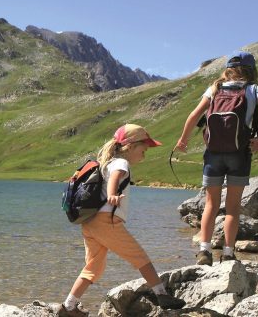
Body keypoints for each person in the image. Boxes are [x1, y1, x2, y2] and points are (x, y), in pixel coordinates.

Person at [58, 124, 185, 316]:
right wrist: (112, 195)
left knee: (94, 266)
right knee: (140, 258)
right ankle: (162, 295)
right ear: (131, 146)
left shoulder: (108, 162)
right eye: (144, 148)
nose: (145, 153)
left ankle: (69, 305)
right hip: (106, 221)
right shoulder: (121, 163)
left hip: (90, 222)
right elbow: (115, 179)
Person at [175, 51, 258, 265]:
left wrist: (183, 141)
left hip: (213, 154)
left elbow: (194, 115)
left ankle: (204, 251)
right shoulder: (253, 89)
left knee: (210, 205)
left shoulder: (214, 88)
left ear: (228, 70)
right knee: (232, 207)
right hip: (239, 154)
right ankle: (229, 253)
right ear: (252, 70)